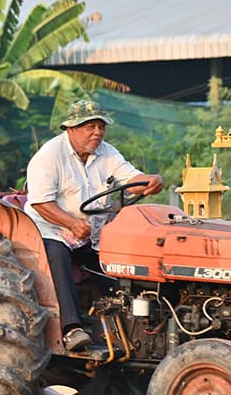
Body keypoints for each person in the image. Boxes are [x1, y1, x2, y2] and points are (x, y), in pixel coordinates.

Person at [24, 99, 163, 352]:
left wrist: (151, 181)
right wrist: (72, 223)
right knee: (57, 255)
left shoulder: (107, 152)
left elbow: (131, 177)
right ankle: (71, 329)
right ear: (71, 129)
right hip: (51, 229)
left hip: (91, 234)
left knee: (117, 264)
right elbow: (40, 203)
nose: (97, 132)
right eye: (90, 126)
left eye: (101, 127)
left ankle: (129, 326)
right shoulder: (49, 156)